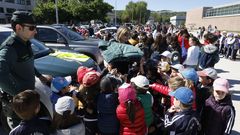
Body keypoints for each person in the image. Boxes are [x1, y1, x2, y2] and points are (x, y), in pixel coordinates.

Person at [0, 11, 51, 130]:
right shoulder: (10, 48)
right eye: (32, 28)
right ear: (18, 28)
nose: (36, 31)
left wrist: (39, 76)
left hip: (29, 101)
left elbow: (28, 62)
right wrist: (19, 96)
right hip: (20, 107)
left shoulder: (25, 42)